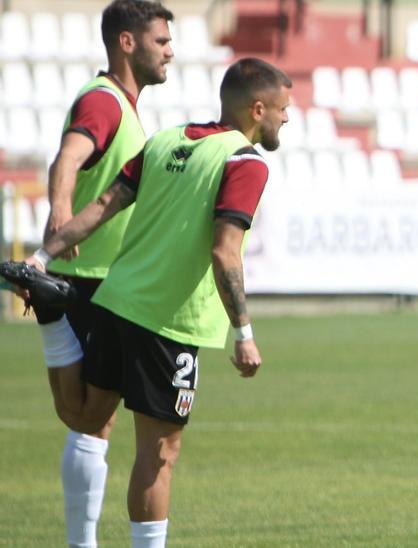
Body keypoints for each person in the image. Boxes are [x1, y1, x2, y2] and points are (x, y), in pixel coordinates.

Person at [1, 57, 290, 547]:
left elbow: (102, 206)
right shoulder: (245, 162)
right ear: (257, 109)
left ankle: (52, 318)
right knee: (160, 453)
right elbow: (225, 252)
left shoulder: (166, 139)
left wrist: (42, 256)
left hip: (117, 300)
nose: (286, 118)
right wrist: (244, 333)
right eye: (282, 110)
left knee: (86, 420)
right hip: (168, 321)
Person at [33, 1, 174, 546]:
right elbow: (66, 159)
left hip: (97, 277)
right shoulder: (105, 102)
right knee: (91, 420)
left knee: (92, 421)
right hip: (91, 276)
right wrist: (60, 215)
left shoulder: (120, 104)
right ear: (127, 42)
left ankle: (80, 543)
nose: (170, 51)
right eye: (160, 40)